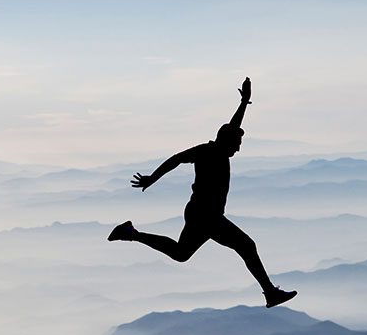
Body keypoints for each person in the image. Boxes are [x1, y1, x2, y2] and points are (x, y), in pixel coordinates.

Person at [108, 77, 298, 308]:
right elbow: (176, 159)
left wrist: (244, 101)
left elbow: (232, 127)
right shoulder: (207, 153)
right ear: (227, 142)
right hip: (206, 217)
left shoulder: (217, 148)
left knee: (181, 253)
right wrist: (152, 178)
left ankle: (131, 233)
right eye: (236, 145)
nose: (238, 149)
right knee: (246, 246)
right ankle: (270, 292)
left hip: (203, 214)